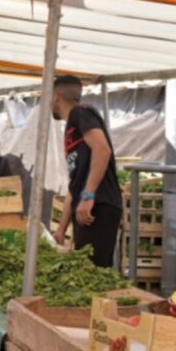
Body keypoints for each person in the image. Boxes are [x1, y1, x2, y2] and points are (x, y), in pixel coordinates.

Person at [52, 75, 123, 267]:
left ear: (56, 96)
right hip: (89, 207)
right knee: (85, 269)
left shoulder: (80, 113)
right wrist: (61, 230)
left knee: (93, 272)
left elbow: (103, 149)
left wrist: (88, 195)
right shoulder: (72, 127)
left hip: (99, 205)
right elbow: (74, 185)